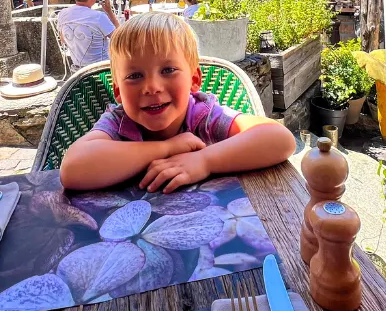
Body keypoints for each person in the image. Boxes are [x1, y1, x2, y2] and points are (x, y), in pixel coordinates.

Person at [59, 12, 296, 192]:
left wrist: (205, 160)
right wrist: (167, 148)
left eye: (168, 70)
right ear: (118, 92)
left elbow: (279, 138)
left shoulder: (203, 116)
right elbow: (73, 170)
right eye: (134, 76)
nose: (152, 87)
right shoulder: (119, 123)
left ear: (194, 80)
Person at [57, 0, 119, 67]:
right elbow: (120, 38)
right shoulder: (98, 16)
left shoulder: (62, 14)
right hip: (102, 69)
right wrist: (109, 12)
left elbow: (63, 39)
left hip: (78, 70)